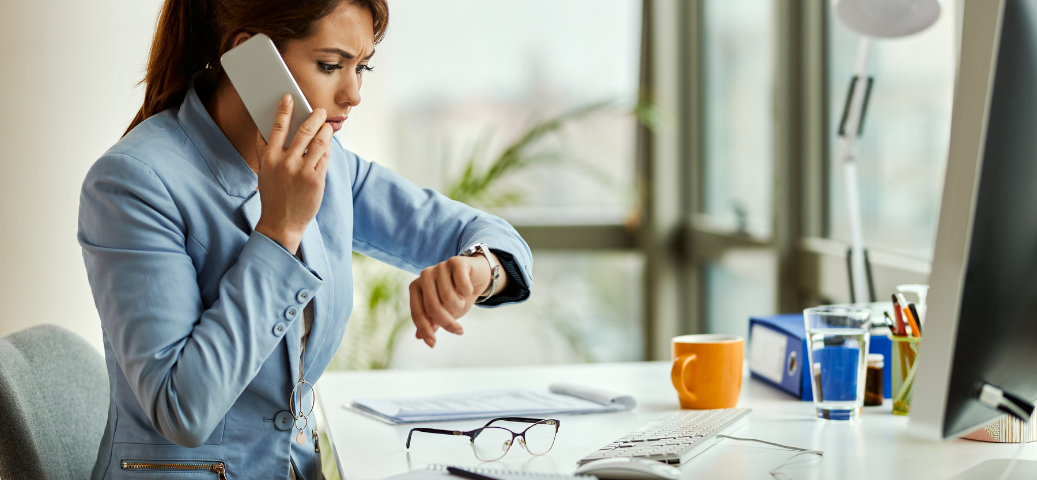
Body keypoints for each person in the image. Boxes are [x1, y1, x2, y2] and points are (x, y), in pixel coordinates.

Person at [77, 0, 532, 478]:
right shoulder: (133, 183)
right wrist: (280, 231)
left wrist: (480, 269)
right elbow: (182, 409)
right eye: (331, 65)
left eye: (363, 67)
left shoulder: (330, 164)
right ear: (250, 56)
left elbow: (481, 232)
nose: (354, 94)